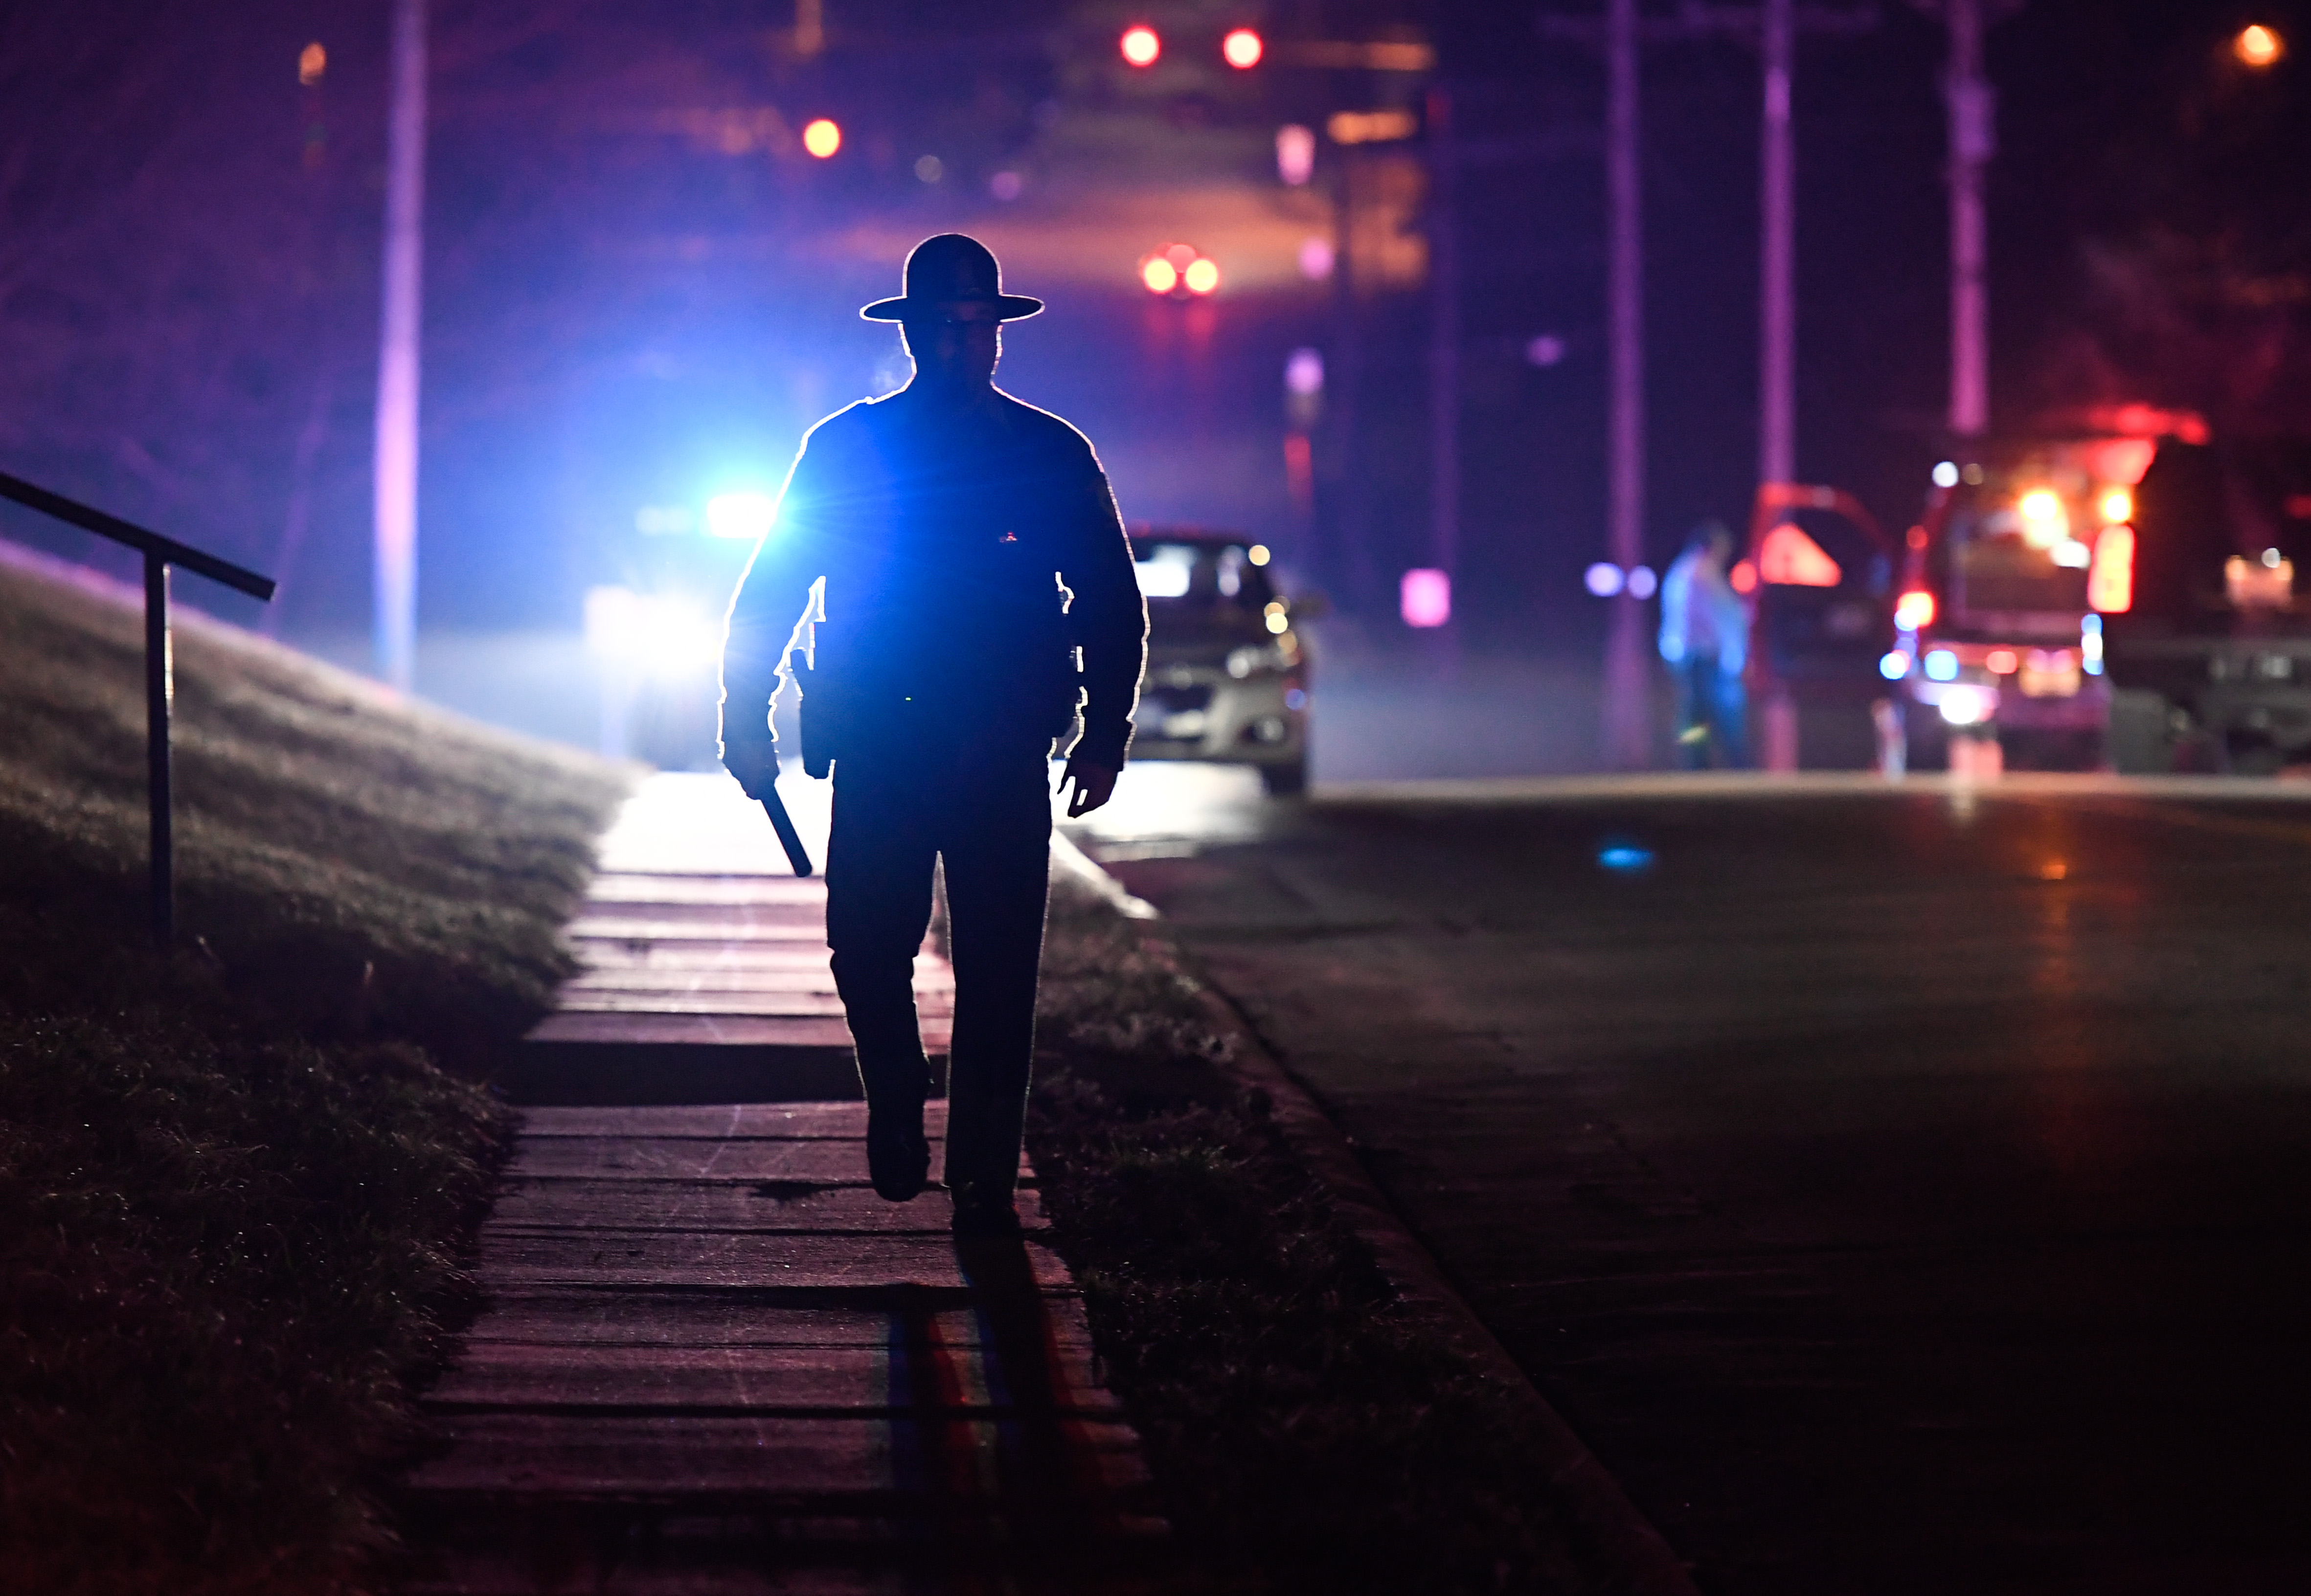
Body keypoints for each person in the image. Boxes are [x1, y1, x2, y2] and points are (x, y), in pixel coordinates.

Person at [718, 234, 1147, 1235]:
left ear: (999, 335)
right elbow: (772, 590)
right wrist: (744, 712)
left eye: (975, 327)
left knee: (1001, 969)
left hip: (1000, 749)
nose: (962, 345)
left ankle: (985, 1179)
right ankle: (899, 1087)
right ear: (911, 334)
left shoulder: (1047, 452)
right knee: (865, 948)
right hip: (881, 743)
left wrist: (1105, 727)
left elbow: (1109, 599)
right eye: (942, 328)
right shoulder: (849, 447)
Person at [1657, 520, 1750, 769]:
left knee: (1694, 717)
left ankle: (1696, 764)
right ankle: (1731, 766)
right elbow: (1723, 618)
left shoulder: (1680, 571)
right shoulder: (1704, 572)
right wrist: (1732, 655)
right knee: (1723, 714)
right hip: (1706, 658)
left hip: (1687, 657)